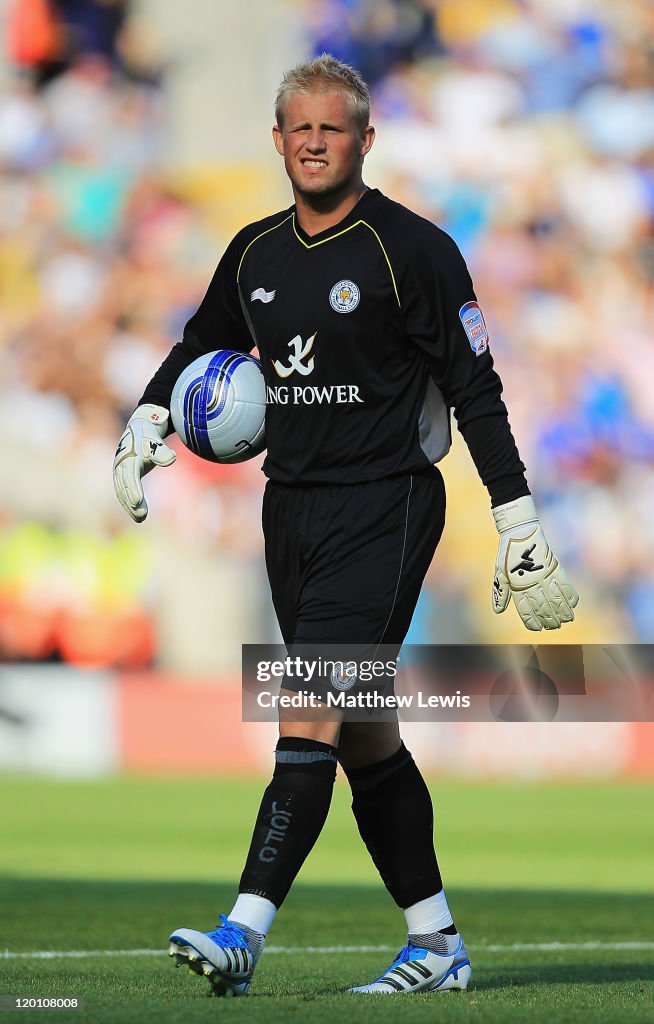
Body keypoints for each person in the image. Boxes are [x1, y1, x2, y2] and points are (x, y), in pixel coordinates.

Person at [113, 54, 579, 997]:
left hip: (389, 504)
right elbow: (200, 343)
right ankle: (438, 943)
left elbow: (475, 390)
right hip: (291, 510)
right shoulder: (252, 251)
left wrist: (517, 515)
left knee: (311, 700)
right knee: (364, 730)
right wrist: (150, 416)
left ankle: (244, 928)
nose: (316, 143)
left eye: (335, 129)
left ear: (366, 141)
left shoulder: (413, 250)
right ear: (279, 140)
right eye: (301, 128)